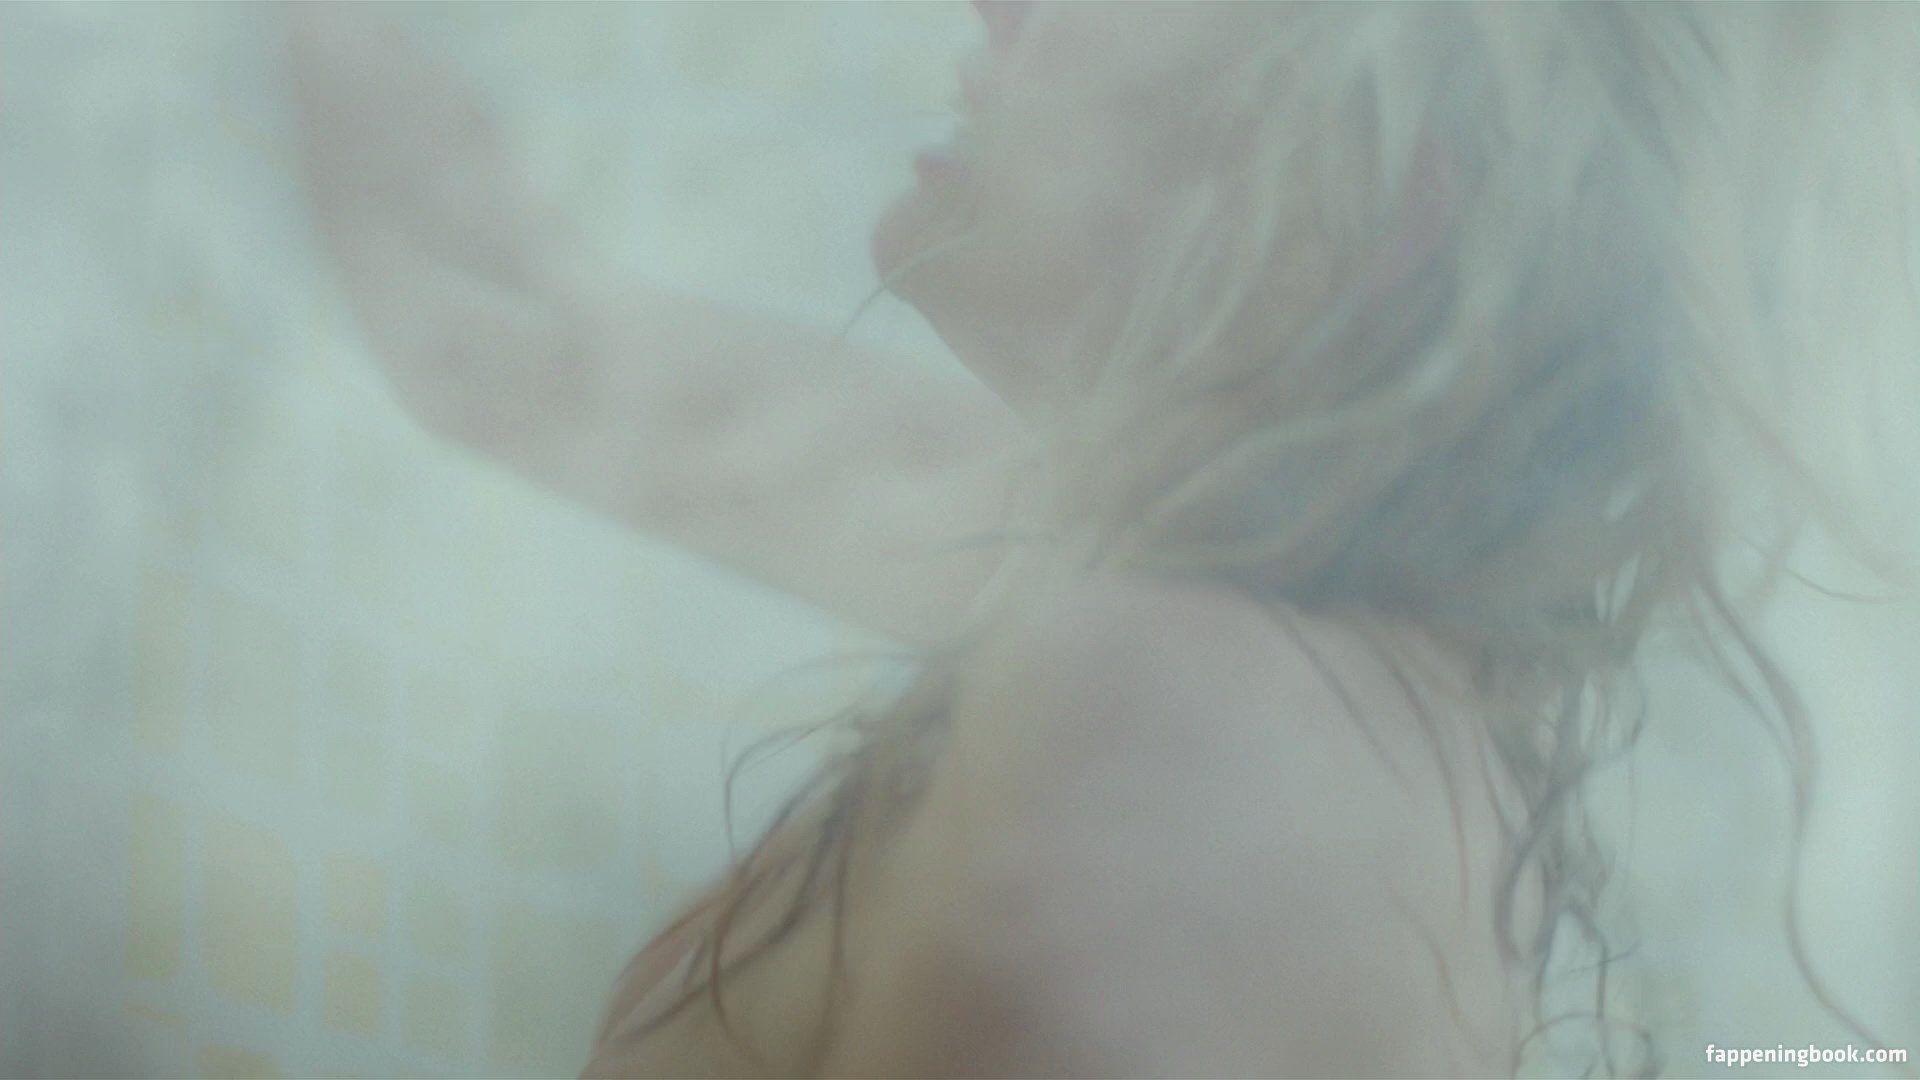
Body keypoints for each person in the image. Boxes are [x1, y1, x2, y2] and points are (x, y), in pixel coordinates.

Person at [290, 3, 1919, 1076]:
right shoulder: (1220, 600)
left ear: (1363, 199)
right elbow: (513, 336)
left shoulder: (1193, 725)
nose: (1000, 3)